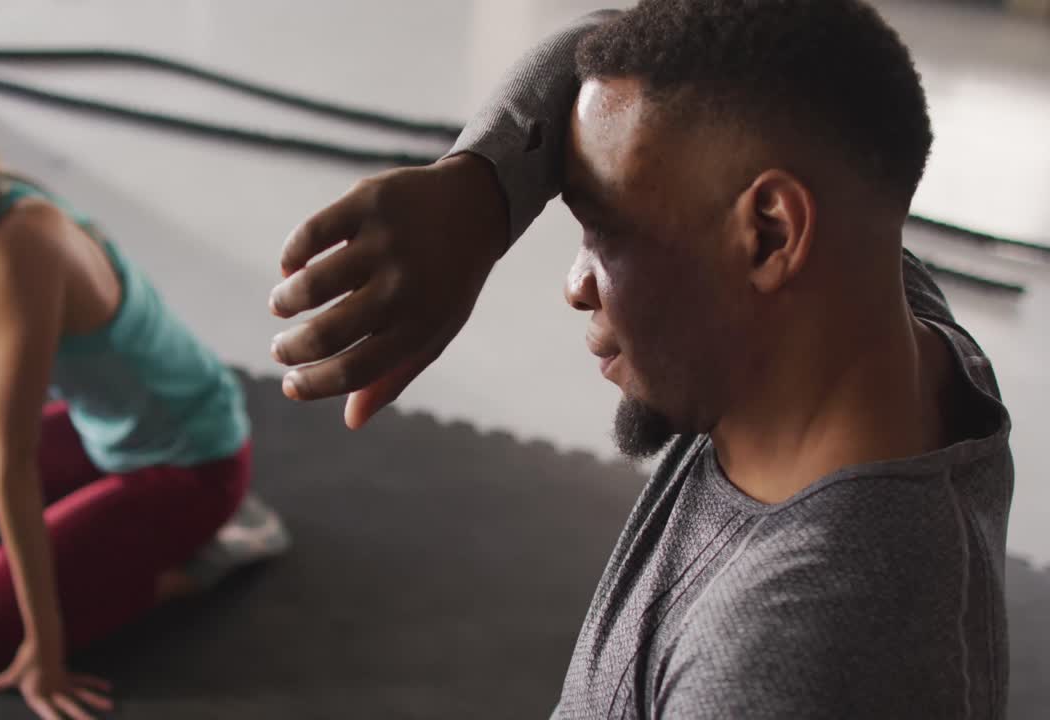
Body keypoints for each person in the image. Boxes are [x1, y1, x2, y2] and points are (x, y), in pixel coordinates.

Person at [270, 2, 1013, 718]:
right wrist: (480, 189)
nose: (575, 284)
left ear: (769, 234)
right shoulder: (878, 317)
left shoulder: (785, 665)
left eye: (606, 229)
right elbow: (611, 50)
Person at [0, 28, 289, 719]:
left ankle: (213, 552)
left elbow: (12, 459)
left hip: (193, 461)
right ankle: (81, 540)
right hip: (103, 425)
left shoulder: (22, 247)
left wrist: (45, 652)